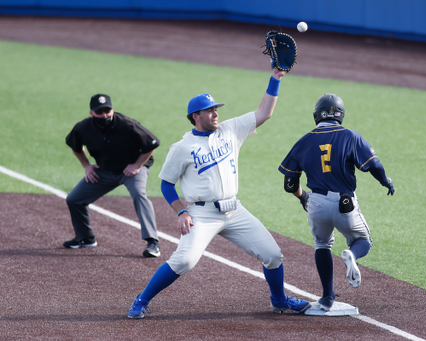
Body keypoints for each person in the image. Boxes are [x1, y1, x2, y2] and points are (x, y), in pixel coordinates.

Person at [127, 68, 311, 319]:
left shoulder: (230, 129)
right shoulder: (182, 148)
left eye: (216, 109)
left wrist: (275, 79)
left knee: (273, 255)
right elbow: (166, 184)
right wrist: (181, 211)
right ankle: (142, 299)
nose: (216, 113)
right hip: (201, 214)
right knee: (184, 262)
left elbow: (264, 113)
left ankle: (279, 300)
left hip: (234, 210)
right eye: (210, 110)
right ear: (195, 116)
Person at [278, 93, 395, 311]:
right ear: (340, 115)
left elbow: (289, 184)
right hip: (345, 202)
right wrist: (385, 181)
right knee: (362, 240)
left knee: (322, 245)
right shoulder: (350, 136)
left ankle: (326, 297)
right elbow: (375, 166)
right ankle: (352, 254)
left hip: (317, 202)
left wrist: (304, 198)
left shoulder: (304, 140)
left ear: (317, 115)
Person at [64, 94, 161, 258]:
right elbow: (75, 145)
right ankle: (86, 238)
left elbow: (152, 143)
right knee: (74, 199)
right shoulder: (83, 128)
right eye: (99, 112)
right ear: (91, 113)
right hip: (105, 171)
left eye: (107, 111)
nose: (104, 115)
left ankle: (152, 242)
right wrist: (87, 166)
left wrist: (137, 165)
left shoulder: (127, 124)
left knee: (139, 194)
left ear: (112, 110)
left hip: (132, 170)